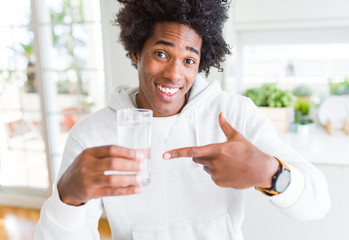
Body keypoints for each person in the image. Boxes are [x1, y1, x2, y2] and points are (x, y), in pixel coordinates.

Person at [34, 0, 331, 239]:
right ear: (136, 52)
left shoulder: (236, 114)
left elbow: (318, 205)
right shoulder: (92, 134)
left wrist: (271, 172)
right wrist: (67, 199)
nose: (175, 74)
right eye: (162, 53)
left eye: (189, 60)